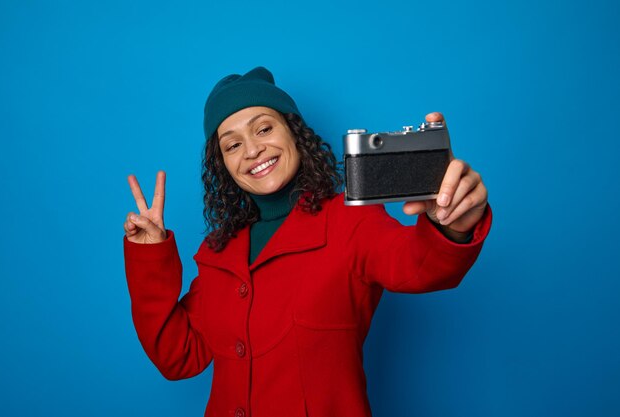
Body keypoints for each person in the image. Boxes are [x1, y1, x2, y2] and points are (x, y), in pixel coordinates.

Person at [123, 66, 492, 417]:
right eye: (232, 145)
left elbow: (419, 265)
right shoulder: (219, 252)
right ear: (223, 166)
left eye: (264, 129)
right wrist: (149, 255)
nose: (251, 150)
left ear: (294, 132)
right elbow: (177, 356)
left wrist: (452, 223)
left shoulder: (349, 222)